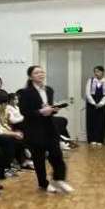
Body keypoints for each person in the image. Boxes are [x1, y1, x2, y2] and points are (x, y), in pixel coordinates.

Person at [17, 66, 74, 194]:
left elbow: (47, 107)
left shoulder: (49, 90)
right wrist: (40, 112)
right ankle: (43, 183)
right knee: (39, 158)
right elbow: (24, 111)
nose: (40, 74)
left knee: (57, 154)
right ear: (31, 76)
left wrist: (53, 110)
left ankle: (59, 178)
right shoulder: (25, 92)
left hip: (49, 126)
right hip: (34, 128)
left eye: (42, 72)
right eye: (36, 72)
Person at [85, 66, 105, 146]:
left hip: (103, 104)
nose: (96, 73)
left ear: (103, 72)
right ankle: (92, 139)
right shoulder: (91, 80)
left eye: (98, 71)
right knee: (91, 121)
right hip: (91, 104)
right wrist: (93, 103)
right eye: (95, 72)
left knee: (101, 122)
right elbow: (87, 93)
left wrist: (100, 104)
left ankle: (100, 139)